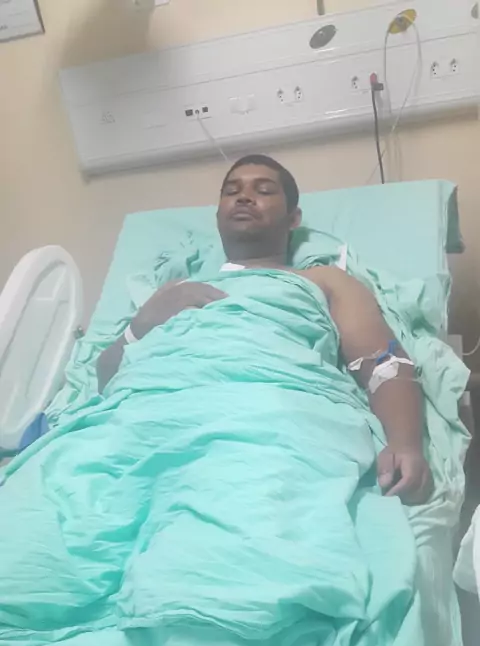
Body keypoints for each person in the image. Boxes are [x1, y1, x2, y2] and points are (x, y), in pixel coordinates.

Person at [98, 154, 432, 505]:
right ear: (218, 215)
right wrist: (142, 324)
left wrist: (405, 444)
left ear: (293, 218)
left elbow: (384, 364)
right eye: (232, 191)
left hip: (270, 420)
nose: (244, 197)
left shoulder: (323, 281)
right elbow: (106, 379)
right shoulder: (172, 292)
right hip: (148, 419)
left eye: (263, 190)